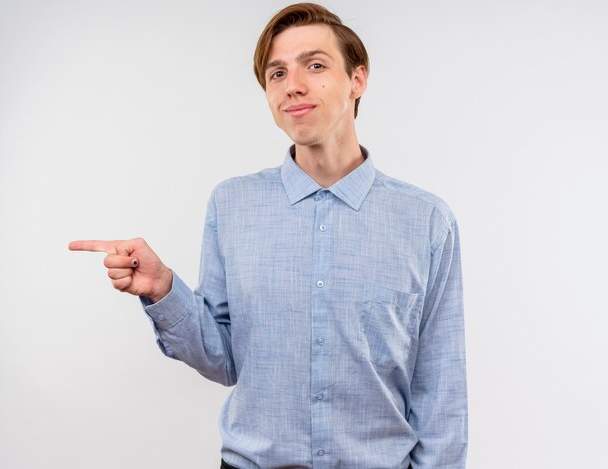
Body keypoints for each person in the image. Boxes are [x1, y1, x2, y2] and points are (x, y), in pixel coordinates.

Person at [69, 3, 468, 468]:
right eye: (276, 73)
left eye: (315, 65)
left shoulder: (426, 222)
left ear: (358, 79)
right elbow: (224, 359)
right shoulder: (232, 205)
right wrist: (163, 290)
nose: (292, 84)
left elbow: (441, 393)